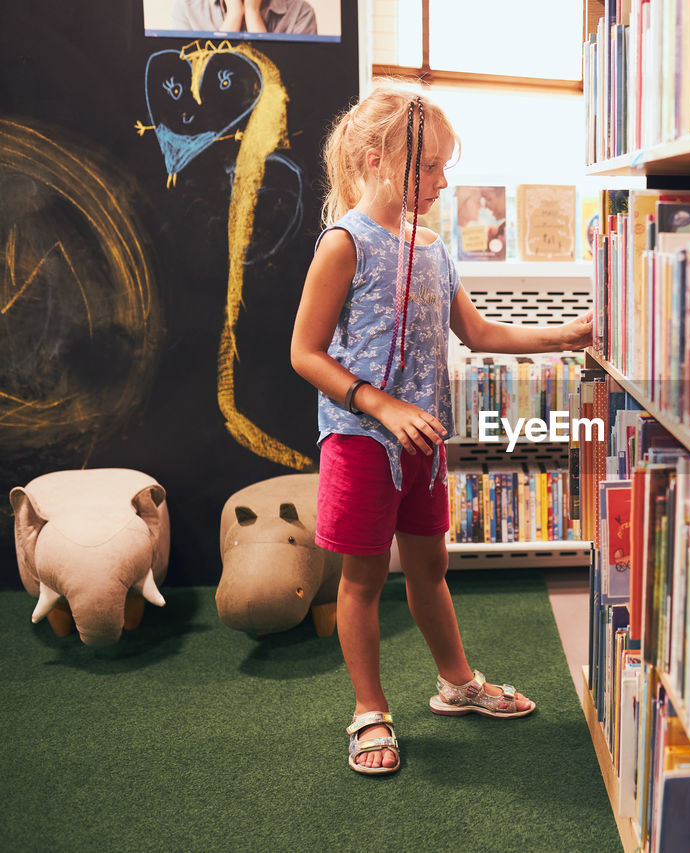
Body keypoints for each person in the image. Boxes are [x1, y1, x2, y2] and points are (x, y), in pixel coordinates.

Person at [290, 83, 593, 775]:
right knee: (363, 581)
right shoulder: (345, 243)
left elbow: (478, 329)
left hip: (422, 445)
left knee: (431, 569)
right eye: (430, 167)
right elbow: (304, 352)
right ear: (376, 160)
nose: (442, 181)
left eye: (445, 166)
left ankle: (456, 683)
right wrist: (380, 404)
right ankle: (370, 711)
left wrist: (563, 335)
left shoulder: (434, 245)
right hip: (362, 441)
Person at [171, 0, 318, 35]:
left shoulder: (301, 12)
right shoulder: (187, 10)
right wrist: (234, 13)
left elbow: (294, 83)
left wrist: (252, 12)